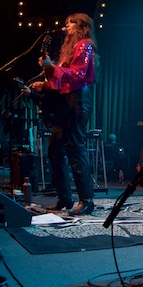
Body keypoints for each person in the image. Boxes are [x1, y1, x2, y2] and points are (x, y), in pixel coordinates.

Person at [21, 13, 97, 215]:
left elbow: (78, 75)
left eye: (71, 23)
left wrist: (52, 68)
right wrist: (46, 82)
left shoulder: (84, 45)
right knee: (55, 149)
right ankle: (64, 198)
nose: (67, 26)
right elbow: (60, 82)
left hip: (78, 100)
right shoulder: (69, 49)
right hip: (67, 102)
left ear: (81, 26)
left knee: (75, 148)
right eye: (66, 23)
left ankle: (87, 199)